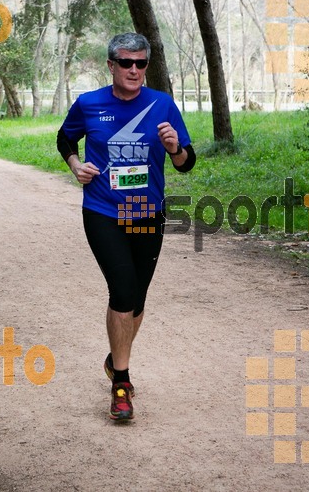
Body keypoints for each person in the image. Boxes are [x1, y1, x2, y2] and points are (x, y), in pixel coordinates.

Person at [56, 33, 196, 421]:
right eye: (126, 62)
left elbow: (186, 162)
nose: (134, 70)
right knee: (122, 292)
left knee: (138, 300)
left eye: (141, 63)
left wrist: (174, 148)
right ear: (111, 65)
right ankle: (121, 383)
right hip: (103, 212)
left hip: (147, 212)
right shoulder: (89, 104)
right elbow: (65, 137)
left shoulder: (162, 104)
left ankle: (115, 355)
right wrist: (74, 165)